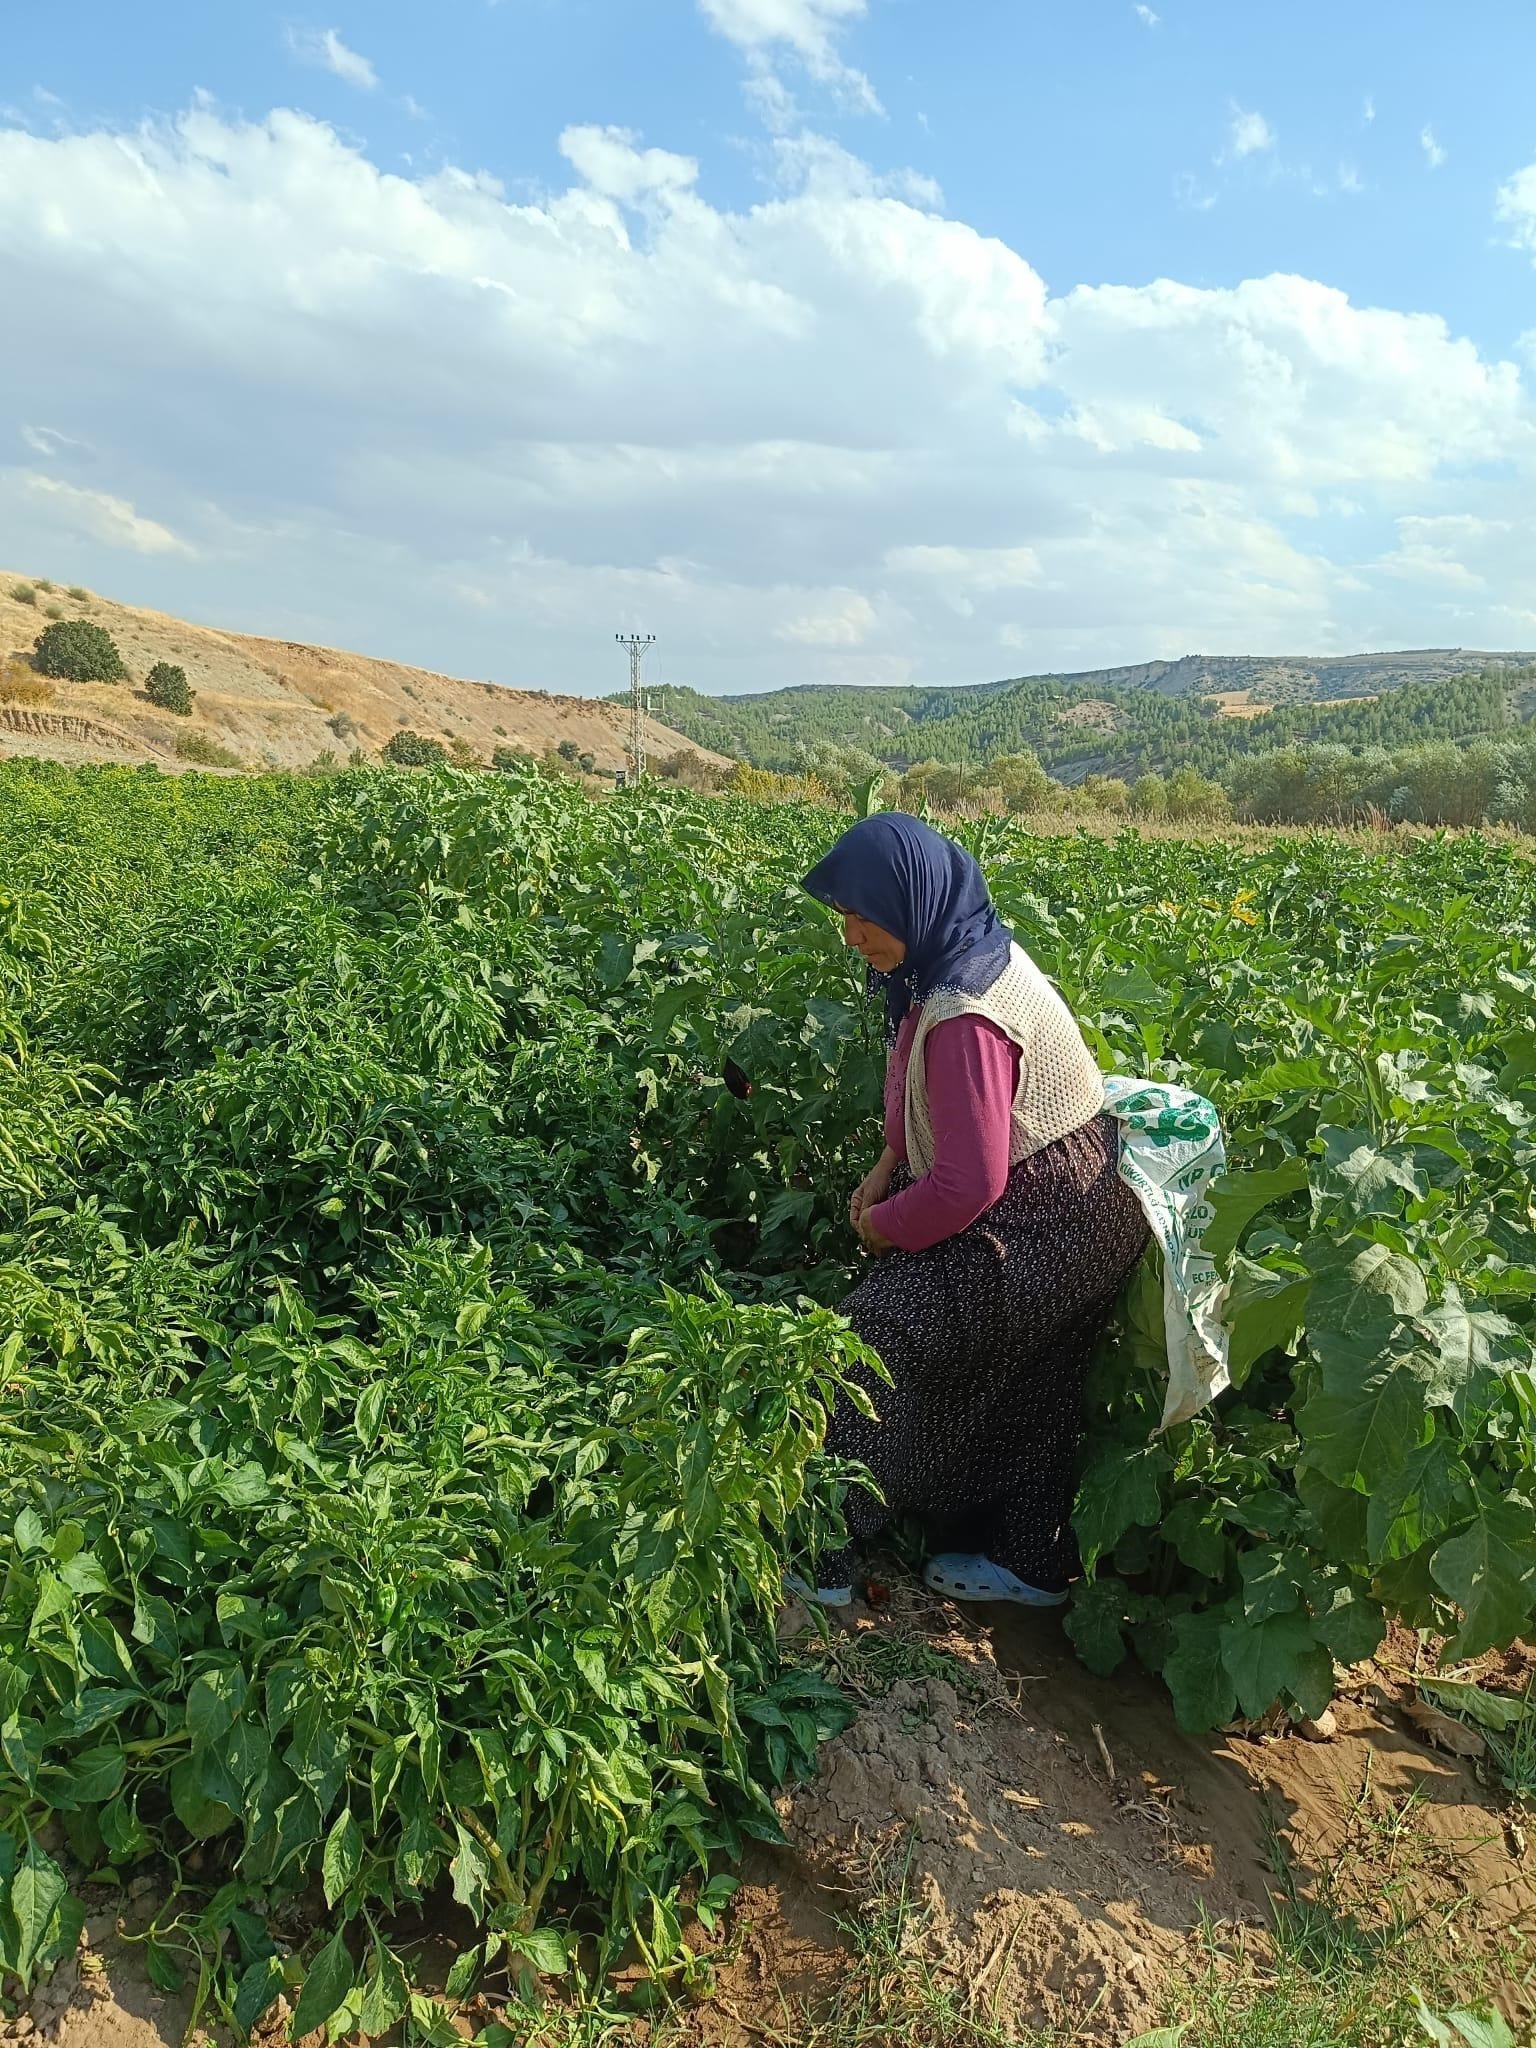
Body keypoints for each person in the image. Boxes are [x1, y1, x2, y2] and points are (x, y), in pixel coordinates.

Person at [795, 813, 1150, 1608]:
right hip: (1080, 1190)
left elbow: (966, 1186)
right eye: (842, 916)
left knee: (870, 1339)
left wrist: (883, 1229)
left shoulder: (965, 1007)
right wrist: (890, 1164)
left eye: (863, 915)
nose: (851, 934)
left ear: (911, 900)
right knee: (1028, 1381)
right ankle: (1025, 1559)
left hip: (1058, 1213)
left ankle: (817, 1555)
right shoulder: (949, 950)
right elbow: (919, 1091)